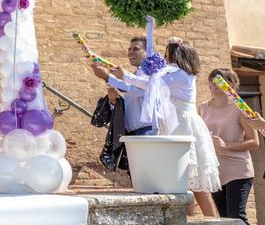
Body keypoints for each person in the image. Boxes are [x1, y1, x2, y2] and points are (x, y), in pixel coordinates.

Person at [111, 38, 221, 216]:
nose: (165, 58)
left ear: (177, 56)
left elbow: (151, 86)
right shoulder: (174, 73)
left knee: (195, 180)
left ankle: (212, 219)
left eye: (167, 54)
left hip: (183, 125)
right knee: (179, 181)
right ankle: (188, 218)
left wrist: (125, 76)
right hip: (172, 125)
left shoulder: (181, 75)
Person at [200, 68, 259, 224]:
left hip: (238, 170)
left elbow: (254, 142)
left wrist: (227, 146)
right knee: (225, 220)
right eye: (210, 78)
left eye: (218, 79)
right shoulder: (203, 108)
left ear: (231, 83)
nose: (212, 82)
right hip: (215, 170)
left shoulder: (240, 109)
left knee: (236, 217)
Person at [90, 36, 154, 137]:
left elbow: (137, 89)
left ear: (147, 52)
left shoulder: (150, 74)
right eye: (129, 49)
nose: (130, 52)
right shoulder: (135, 74)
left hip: (146, 132)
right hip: (133, 133)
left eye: (136, 49)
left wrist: (106, 77)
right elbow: (131, 100)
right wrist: (113, 98)